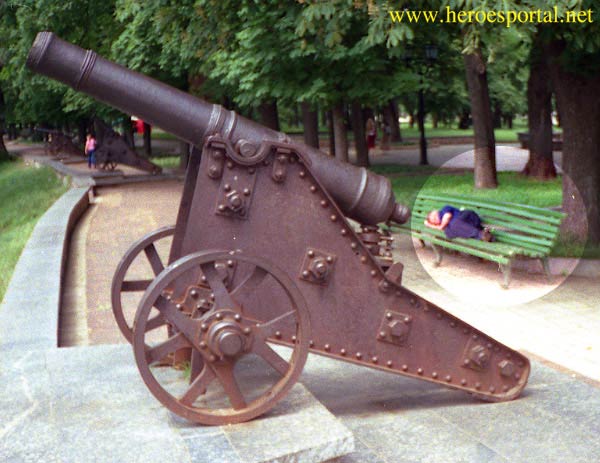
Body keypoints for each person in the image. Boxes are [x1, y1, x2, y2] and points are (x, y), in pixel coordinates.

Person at [425, 205, 493, 241]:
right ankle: (485, 235)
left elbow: (447, 216)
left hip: (469, 217)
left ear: (436, 212)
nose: (436, 220)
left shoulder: (444, 209)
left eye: (434, 217)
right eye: (434, 222)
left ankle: (481, 234)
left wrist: (438, 227)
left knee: (454, 224)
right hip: (468, 227)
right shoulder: (446, 227)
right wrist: (432, 226)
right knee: (449, 233)